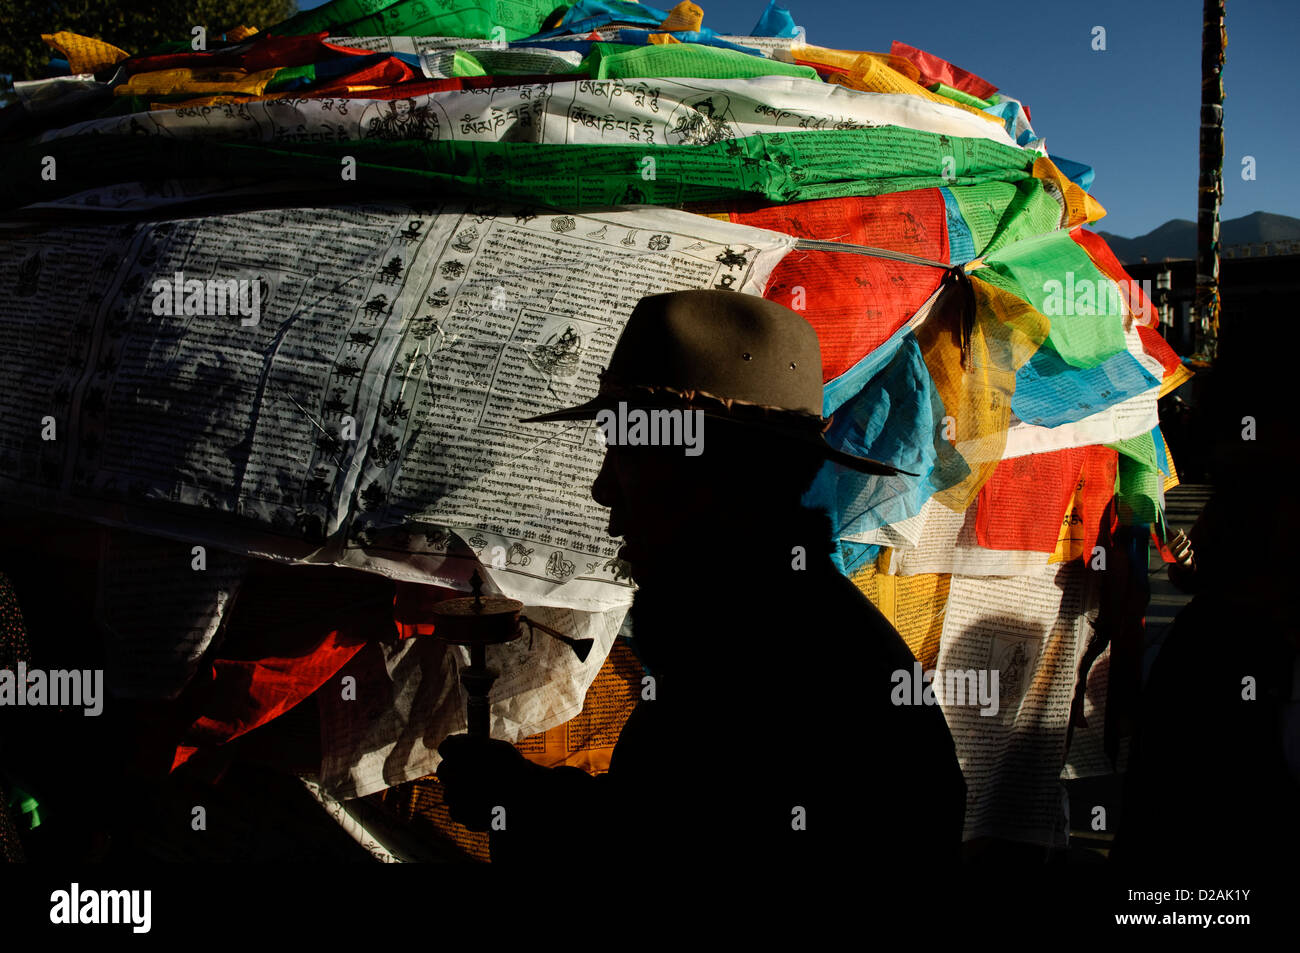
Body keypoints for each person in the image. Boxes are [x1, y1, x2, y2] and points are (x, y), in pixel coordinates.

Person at [437, 290, 966, 866]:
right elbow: (667, 819)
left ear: (729, 481)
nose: (602, 490)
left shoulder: (783, 667)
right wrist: (522, 798)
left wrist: (523, 807)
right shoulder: (760, 627)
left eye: (632, 459)